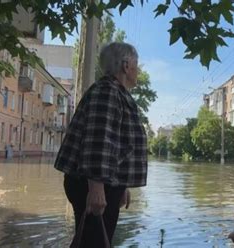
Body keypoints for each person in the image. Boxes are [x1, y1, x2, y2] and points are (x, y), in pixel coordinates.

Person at [54, 42, 148, 247]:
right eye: (136, 64)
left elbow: (116, 145)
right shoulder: (108, 91)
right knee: (93, 243)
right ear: (125, 65)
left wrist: (121, 183)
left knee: (92, 240)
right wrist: (96, 188)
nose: (137, 69)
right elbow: (99, 141)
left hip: (104, 182)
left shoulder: (115, 92)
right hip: (92, 184)